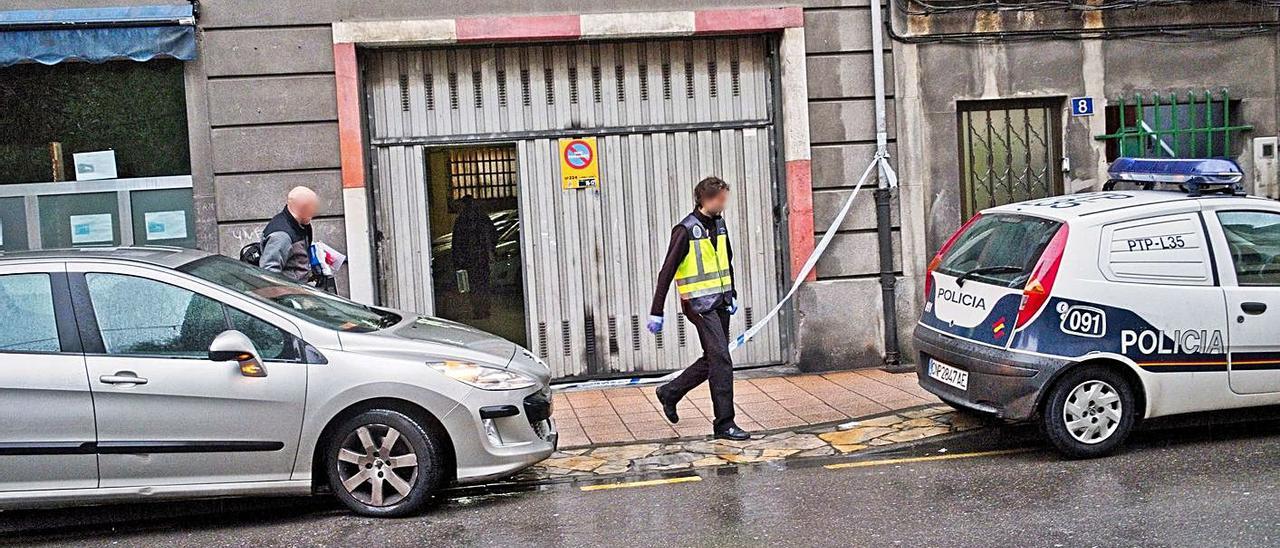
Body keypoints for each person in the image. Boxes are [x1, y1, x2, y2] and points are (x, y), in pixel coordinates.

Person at [647, 176, 749, 441]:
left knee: (714, 358)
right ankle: (724, 423)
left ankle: (670, 392)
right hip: (699, 304)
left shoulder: (719, 224)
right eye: (721, 199)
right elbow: (666, 272)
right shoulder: (685, 230)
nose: (724, 204)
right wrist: (656, 311)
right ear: (706, 199)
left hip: (721, 302)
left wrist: (732, 293)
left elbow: (727, 260)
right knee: (722, 360)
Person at [451, 195, 499, 319]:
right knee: (483, 284)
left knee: (473, 285)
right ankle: (485, 309)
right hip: (482, 257)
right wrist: (490, 250)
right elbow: (493, 234)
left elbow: (457, 242)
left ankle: (478, 310)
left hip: (470, 259)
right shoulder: (482, 217)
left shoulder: (461, 220)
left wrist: (458, 259)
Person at [260, 186, 319, 283]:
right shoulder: (281, 235)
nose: (314, 212)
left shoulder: (301, 225)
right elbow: (269, 274)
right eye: (313, 207)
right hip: (292, 292)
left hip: (299, 288)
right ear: (303, 208)